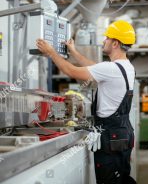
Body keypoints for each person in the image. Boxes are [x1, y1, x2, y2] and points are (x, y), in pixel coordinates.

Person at [36, 20, 137, 184]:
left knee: (110, 181)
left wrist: (51, 52)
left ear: (115, 43)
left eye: (107, 38)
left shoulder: (111, 69)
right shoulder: (126, 67)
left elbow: (71, 71)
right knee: (122, 178)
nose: (104, 41)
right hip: (122, 134)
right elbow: (95, 68)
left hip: (110, 137)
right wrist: (74, 52)